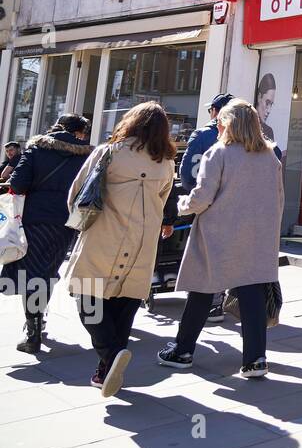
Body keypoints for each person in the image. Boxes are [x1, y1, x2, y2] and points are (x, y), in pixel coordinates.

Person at [158, 100, 284, 379]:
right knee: (252, 294)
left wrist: (181, 206)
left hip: (218, 233)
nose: (217, 125)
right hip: (256, 235)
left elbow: (202, 198)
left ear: (229, 124)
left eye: (220, 121)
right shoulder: (270, 156)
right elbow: (278, 199)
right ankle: (255, 360)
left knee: (201, 291)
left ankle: (182, 350)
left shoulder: (219, 153)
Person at [65, 102, 176, 397]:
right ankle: (106, 372)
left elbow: (77, 193)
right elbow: (163, 201)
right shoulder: (166, 163)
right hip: (143, 242)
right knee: (123, 306)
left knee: (87, 297)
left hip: (105, 236)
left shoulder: (109, 152)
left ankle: (112, 354)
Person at [4, 115, 93, 353]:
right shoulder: (86, 155)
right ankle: (37, 318)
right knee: (47, 271)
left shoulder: (36, 149)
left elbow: (18, 183)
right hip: (66, 223)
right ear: (80, 133)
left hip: (34, 220)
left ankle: (33, 330)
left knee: (32, 273)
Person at [178, 93, 233, 323]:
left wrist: (190, 197)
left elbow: (187, 172)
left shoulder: (202, 135)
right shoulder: (249, 137)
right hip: (231, 204)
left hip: (204, 201)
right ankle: (218, 300)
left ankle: (206, 303)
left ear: (216, 112)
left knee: (202, 254)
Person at [255, 74, 276, 143]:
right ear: (259, 97)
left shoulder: (269, 131)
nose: (269, 110)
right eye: (267, 103)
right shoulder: (245, 125)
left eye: (271, 104)